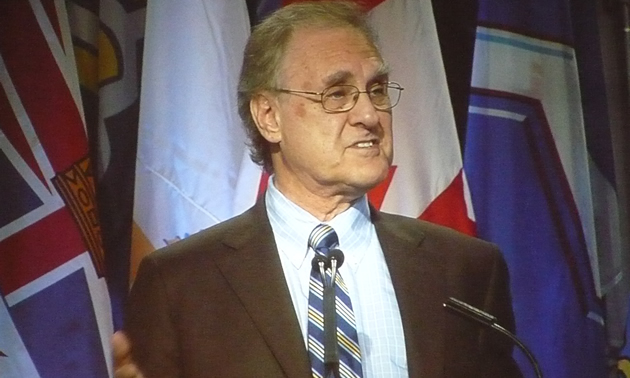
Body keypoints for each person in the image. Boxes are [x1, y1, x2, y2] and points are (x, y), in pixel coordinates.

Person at [114, 1, 523, 377]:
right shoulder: (180, 283)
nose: (369, 114)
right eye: (337, 94)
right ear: (269, 116)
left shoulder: (465, 268)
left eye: (377, 90)